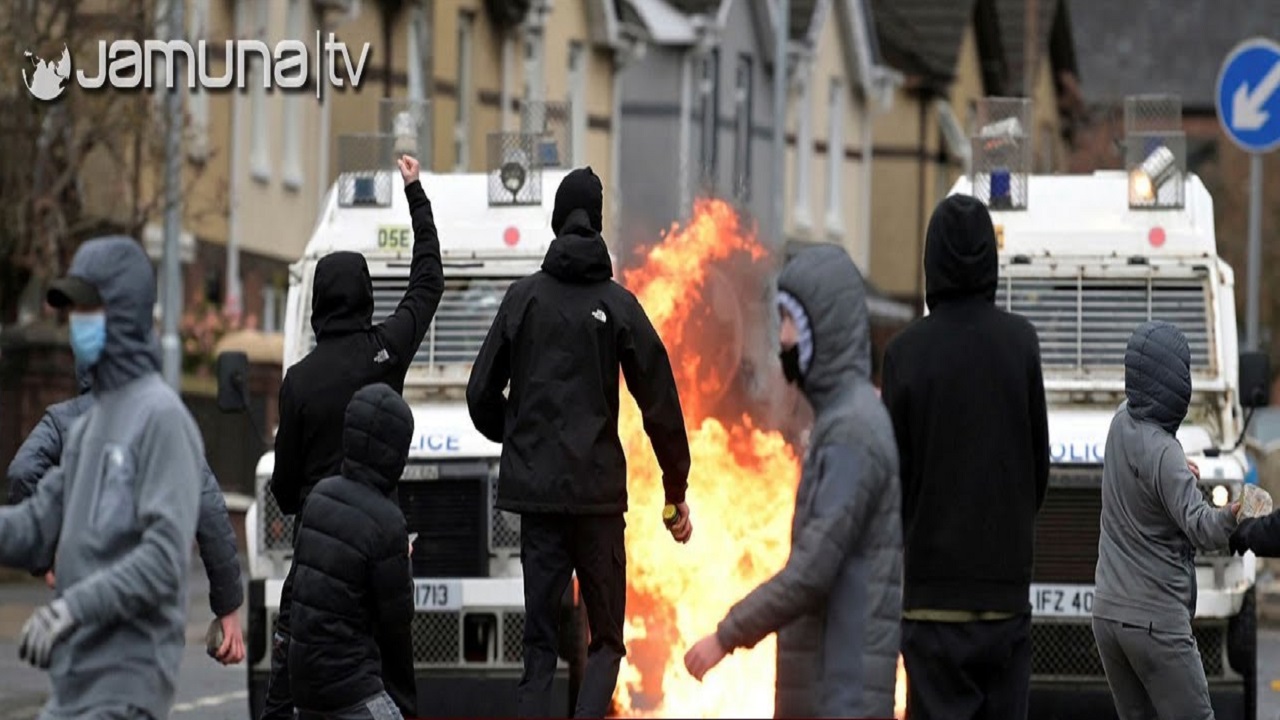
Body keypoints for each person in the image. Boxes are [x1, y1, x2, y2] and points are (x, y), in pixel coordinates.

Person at [466, 166, 693, 718]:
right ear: (595, 224)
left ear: (555, 222)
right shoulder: (618, 306)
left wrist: (518, 437)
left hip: (538, 506)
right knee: (607, 643)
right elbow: (659, 399)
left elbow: (479, 394)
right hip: (596, 506)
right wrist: (675, 489)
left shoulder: (523, 301)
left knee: (539, 650)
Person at [682, 244, 903, 717]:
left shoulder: (852, 434)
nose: (780, 338)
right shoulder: (842, 421)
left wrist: (727, 634)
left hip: (840, 697)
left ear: (820, 331)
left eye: (788, 322)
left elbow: (813, 571)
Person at [262, 154, 443, 720]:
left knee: (288, 689)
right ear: (365, 295)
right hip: (380, 549)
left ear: (317, 303)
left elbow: (286, 491)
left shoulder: (299, 382)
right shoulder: (383, 353)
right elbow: (428, 281)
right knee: (376, 678)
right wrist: (415, 193)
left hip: (316, 559)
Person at [0, 235, 205, 720]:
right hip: (72, 689)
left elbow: (162, 559)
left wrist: (71, 609)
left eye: (87, 310)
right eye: (72, 313)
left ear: (125, 314)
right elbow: (34, 526)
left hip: (125, 690)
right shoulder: (91, 425)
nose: (76, 325)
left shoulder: (162, 419)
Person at [880, 194, 1050, 720]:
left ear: (931, 260)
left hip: (932, 595)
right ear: (991, 264)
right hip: (1005, 592)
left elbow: (894, 478)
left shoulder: (904, 354)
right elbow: (1037, 463)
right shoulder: (1020, 344)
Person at [7, 363, 246, 665]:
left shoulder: (63, 421)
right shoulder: (163, 420)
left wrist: (45, 557)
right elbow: (208, 507)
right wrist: (228, 607)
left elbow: (22, 472)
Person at [1092, 320, 1242, 720]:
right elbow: (1204, 530)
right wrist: (1234, 513)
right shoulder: (1166, 453)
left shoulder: (1119, 422)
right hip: (1156, 622)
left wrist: (1177, 476)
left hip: (1107, 615)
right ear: (1176, 380)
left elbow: (1142, 480)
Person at [289, 383, 416, 720]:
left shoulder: (318, 497)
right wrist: (404, 560)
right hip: (351, 689)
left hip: (303, 687)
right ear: (396, 452)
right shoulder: (387, 521)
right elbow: (397, 620)